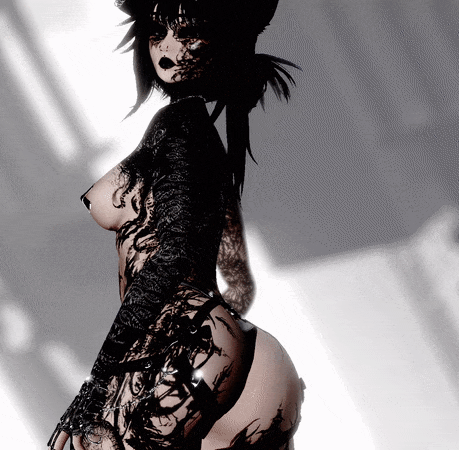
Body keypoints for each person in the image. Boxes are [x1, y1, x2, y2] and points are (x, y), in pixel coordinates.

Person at [49, 0, 304, 448]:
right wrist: (223, 332)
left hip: (181, 341)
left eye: (187, 33)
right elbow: (237, 277)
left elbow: (170, 257)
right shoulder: (206, 140)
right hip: (211, 339)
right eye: (157, 33)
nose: (167, 48)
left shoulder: (178, 128)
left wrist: (96, 381)